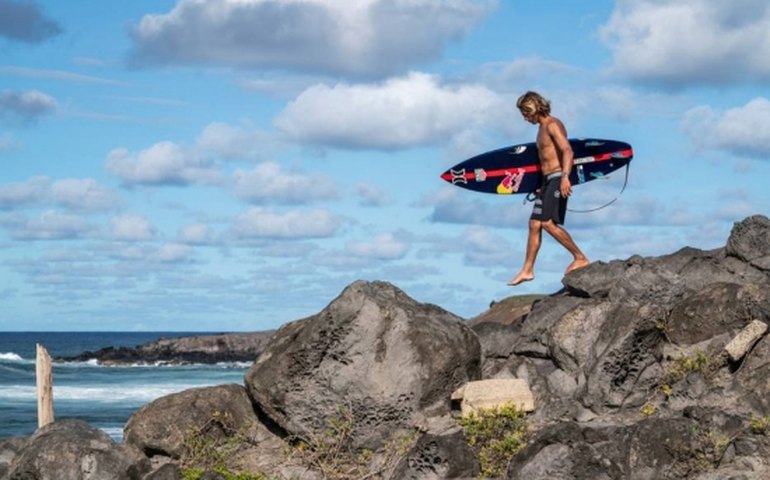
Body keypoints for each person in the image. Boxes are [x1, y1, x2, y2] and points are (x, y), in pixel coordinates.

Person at [508, 91, 589, 286]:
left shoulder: (552, 125)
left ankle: (580, 257)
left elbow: (567, 150)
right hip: (546, 182)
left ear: (534, 109)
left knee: (547, 223)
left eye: (526, 113)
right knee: (534, 224)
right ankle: (527, 270)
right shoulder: (541, 129)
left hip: (557, 178)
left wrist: (564, 178)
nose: (525, 118)